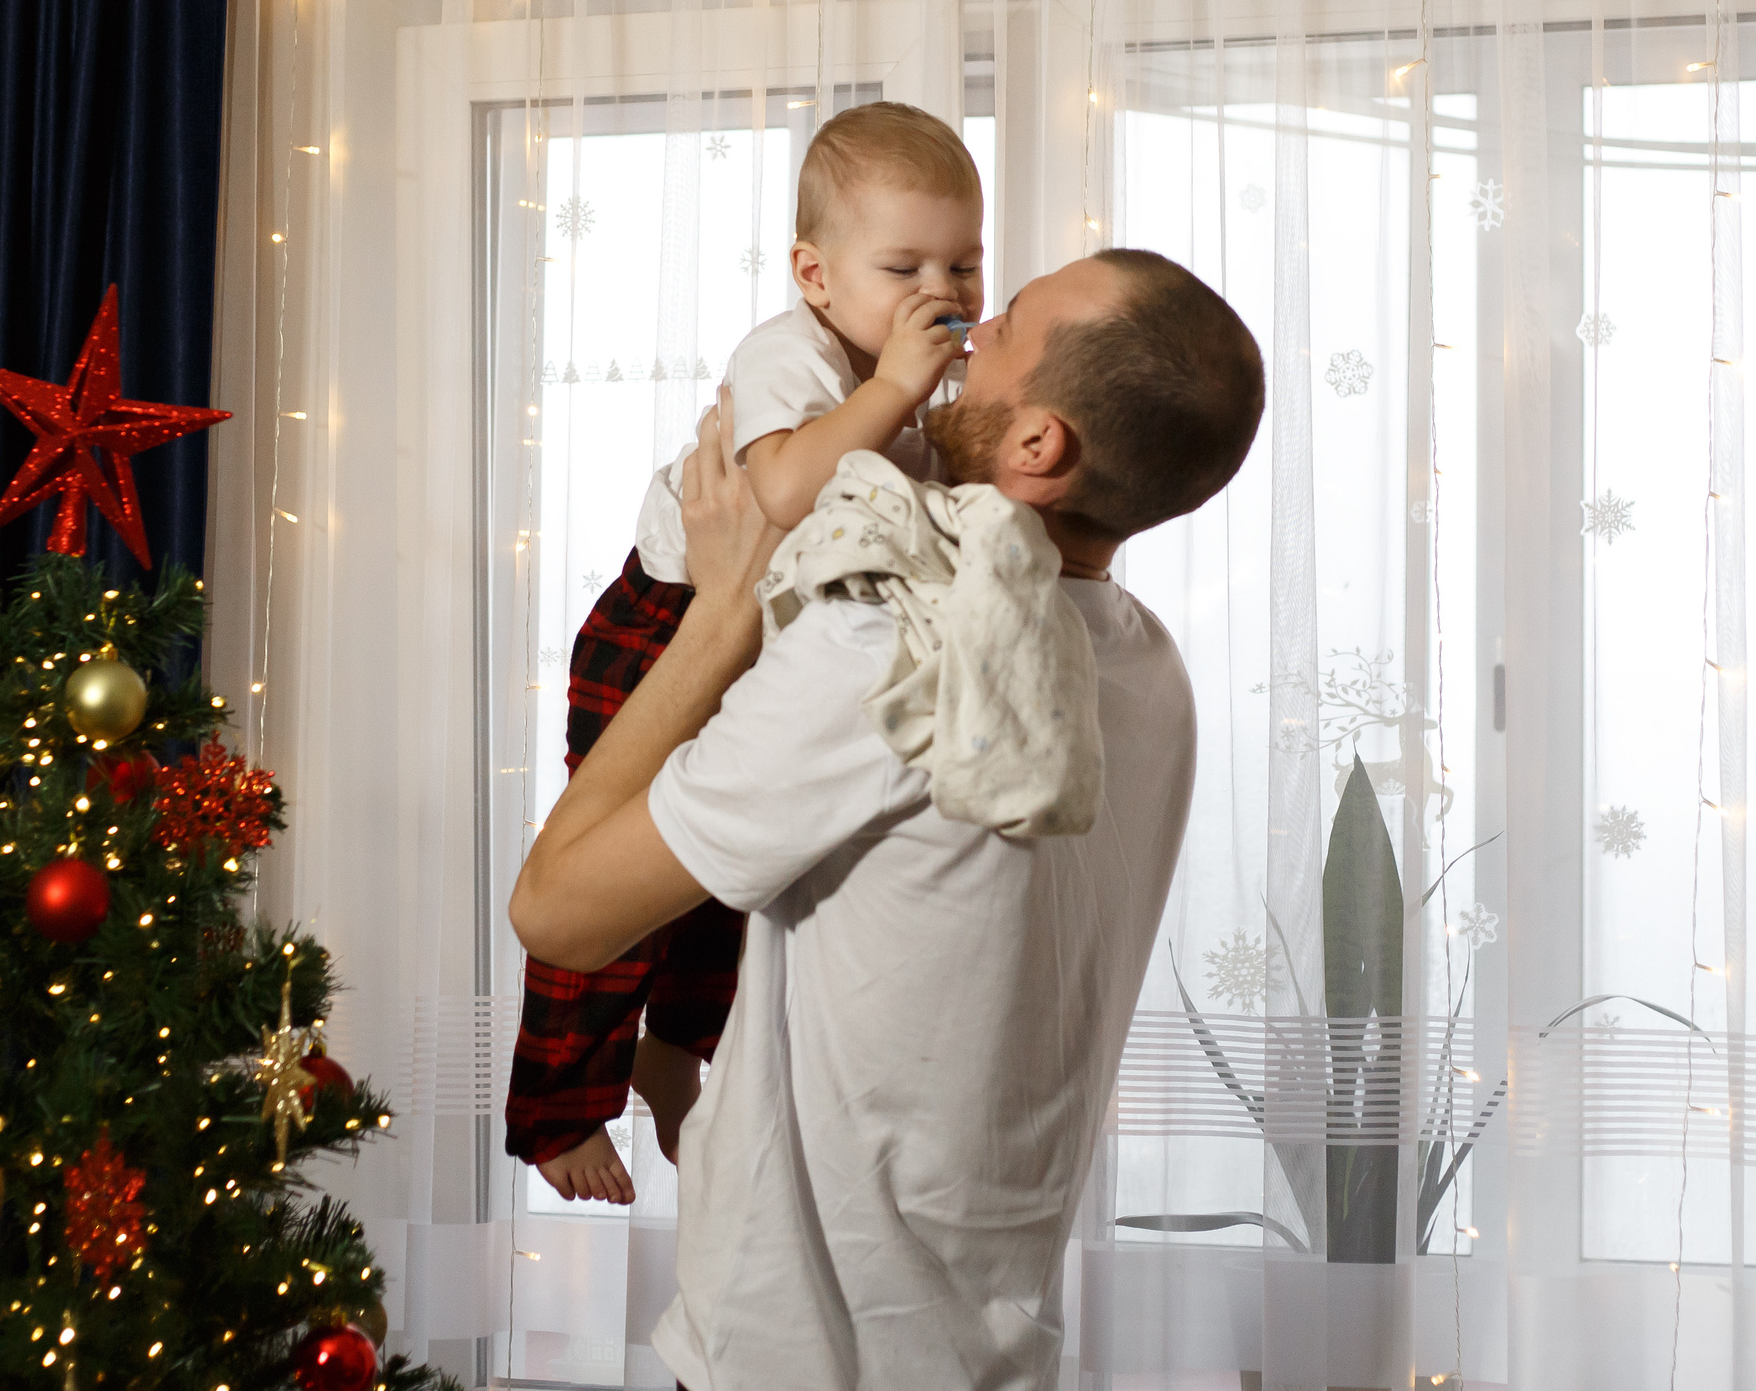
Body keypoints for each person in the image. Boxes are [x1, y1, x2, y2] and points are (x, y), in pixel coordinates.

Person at [509, 248, 1266, 1390]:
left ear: (1037, 445)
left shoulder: (893, 651)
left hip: (803, 1354)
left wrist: (722, 610)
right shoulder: (1148, 666)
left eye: (1007, 326)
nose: (968, 330)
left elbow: (556, 912)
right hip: (986, 1348)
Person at [504, 101, 988, 1205]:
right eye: (903, 266)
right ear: (815, 274)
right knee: (616, 871)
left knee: (729, 870)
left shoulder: (910, 370)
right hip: (667, 621)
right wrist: (896, 392)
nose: (942, 292)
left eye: (963, 263)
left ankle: (674, 1052)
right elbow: (782, 491)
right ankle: (558, 1108)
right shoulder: (791, 354)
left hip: (769, 628)